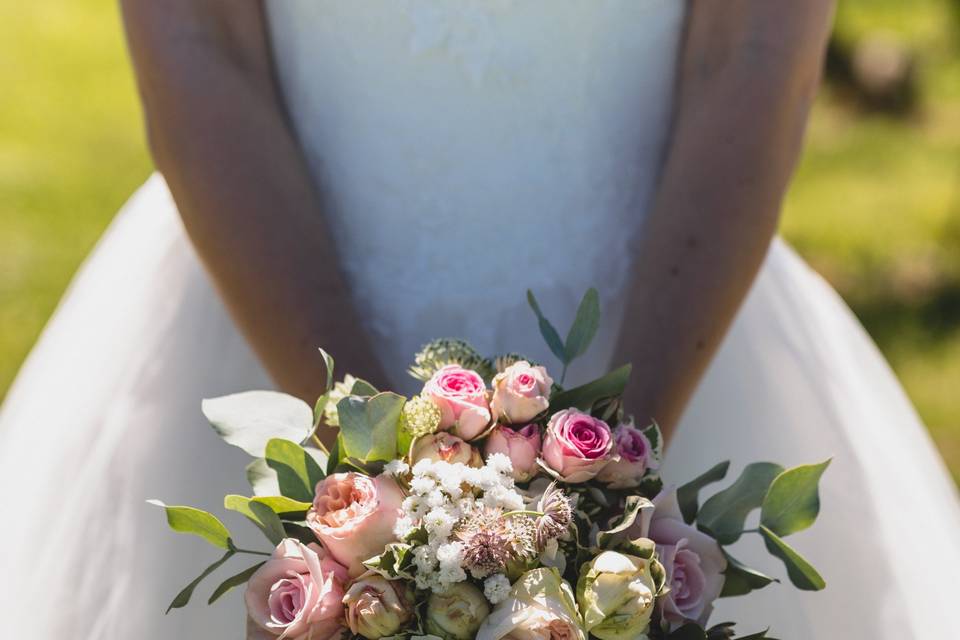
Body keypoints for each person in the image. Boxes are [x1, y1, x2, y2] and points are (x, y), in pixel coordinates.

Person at [0, 1, 957, 638]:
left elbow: (754, 51)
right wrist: (368, 485)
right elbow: (200, 45)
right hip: (265, 301)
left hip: (678, 314)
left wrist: (606, 496)